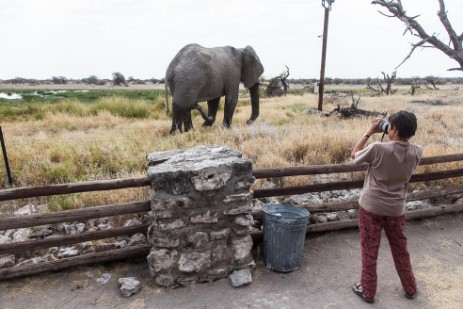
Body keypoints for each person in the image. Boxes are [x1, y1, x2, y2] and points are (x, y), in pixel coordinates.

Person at [350, 110, 423, 304]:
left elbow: (355, 154)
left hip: (371, 207)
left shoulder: (378, 148)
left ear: (393, 129)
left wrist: (369, 131)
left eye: (389, 126)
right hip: (396, 209)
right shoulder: (418, 151)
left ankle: (368, 291)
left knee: (369, 250)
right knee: (400, 248)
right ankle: (410, 288)